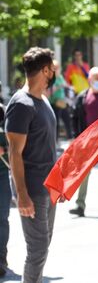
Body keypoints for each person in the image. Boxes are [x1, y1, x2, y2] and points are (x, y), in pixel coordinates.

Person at [5, 47, 57, 283]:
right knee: (37, 250)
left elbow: (47, 147)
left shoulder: (43, 101)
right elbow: (15, 153)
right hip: (32, 189)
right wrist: (22, 194)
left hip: (48, 186)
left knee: (43, 245)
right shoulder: (21, 104)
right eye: (53, 68)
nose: (55, 72)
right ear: (45, 70)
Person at [69, 67, 98, 217]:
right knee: (83, 174)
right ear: (90, 80)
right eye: (97, 78)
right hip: (86, 143)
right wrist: (77, 138)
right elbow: (74, 118)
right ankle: (80, 205)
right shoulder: (82, 97)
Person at [49, 60, 73, 139]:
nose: (56, 69)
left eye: (57, 68)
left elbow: (65, 85)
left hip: (62, 102)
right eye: (54, 68)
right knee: (56, 123)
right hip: (55, 103)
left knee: (68, 120)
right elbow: (50, 92)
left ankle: (70, 138)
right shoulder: (51, 78)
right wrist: (60, 86)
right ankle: (55, 141)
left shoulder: (60, 77)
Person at [0, 103, 9, 278]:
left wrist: (5, 150)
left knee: (1, 218)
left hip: (2, 175)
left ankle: (1, 259)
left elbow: (17, 146)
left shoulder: (4, 110)